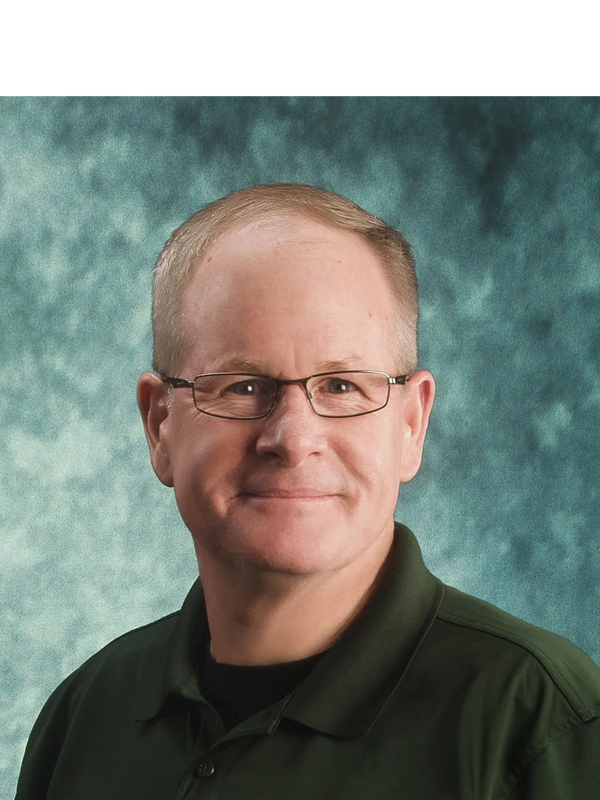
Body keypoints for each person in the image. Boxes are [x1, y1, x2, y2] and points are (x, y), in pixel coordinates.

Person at [16, 184, 600, 799]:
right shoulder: (83, 716)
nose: (293, 439)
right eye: (241, 386)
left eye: (343, 386)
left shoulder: (539, 724)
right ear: (160, 424)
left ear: (410, 424)